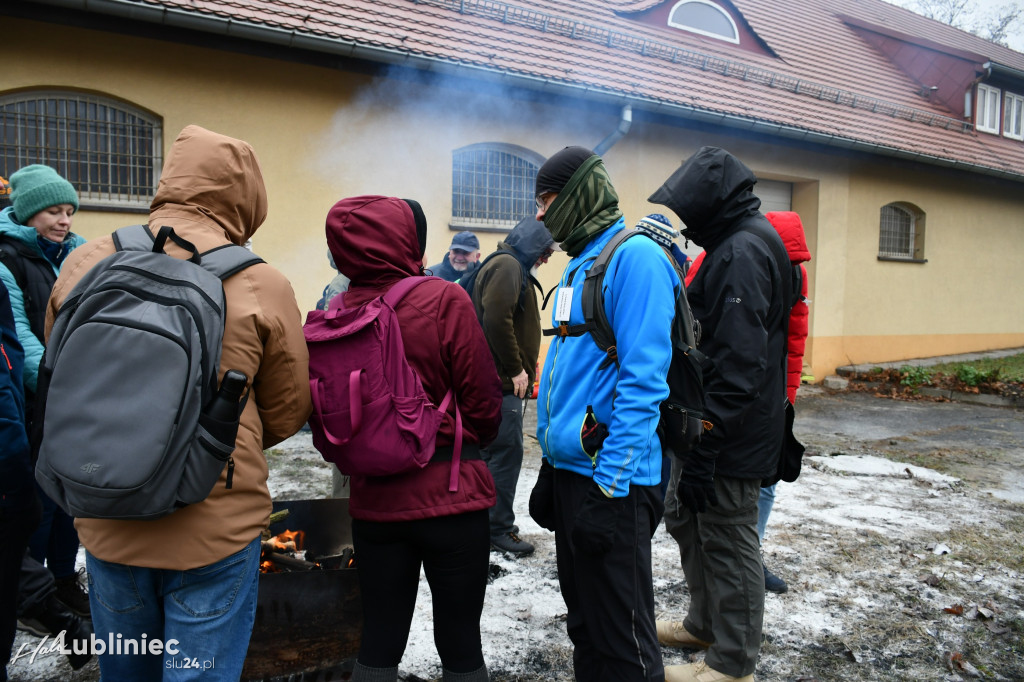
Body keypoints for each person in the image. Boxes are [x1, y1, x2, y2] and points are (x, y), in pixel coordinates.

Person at [45, 125, 312, 680]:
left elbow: (58, 370)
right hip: (212, 523)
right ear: (247, 198)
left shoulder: (87, 258)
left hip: (105, 512)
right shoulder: (261, 282)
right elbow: (287, 410)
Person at [325, 195, 502, 682]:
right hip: (451, 495)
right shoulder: (444, 298)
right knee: (461, 641)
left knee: (378, 638)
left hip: (374, 504)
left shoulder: (336, 310)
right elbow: (484, 402)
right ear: (407, 240)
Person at [528, 146, 674, 681]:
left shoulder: (635, 258)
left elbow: (643, 383)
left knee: (624, 640)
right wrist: (554, 462)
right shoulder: (579, 266)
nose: (540, 215)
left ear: (578, 193)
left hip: (617, 483)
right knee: (585, 625)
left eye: (546, 199)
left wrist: (608, 486)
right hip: (576, 474)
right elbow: (579, 375)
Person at [650, 147, 792, 682]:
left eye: (690, 209)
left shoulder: (743, 251)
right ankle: (704, 624)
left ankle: (733, 665)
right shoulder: (737, 241)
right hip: (710, 425)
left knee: (730, 540)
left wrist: (708, 438)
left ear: (715, 202)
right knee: (687, 518)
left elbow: (739, 363)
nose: (685, 222)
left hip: (730, 433)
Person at [682, 210, 811, 595]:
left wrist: (784, 397)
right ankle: (739, 562)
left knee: (758, 485)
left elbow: (790, 337)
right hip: (730, 396)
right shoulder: (728, 256)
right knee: (723, 497)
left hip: (764, 398)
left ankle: (750, 551)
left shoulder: (786, 270)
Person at [0, 165, 90, 619]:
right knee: (37, 499)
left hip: (75, 394)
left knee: (69, 498)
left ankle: (62, 578)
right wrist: (64, 386)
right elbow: (19, 335)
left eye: (70, 211)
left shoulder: (79, 255)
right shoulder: (6, 258)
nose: (65, 220)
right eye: (54, 211)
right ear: (28, 213)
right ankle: (32, 594)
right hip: (37, 398)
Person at [469, 216, 554, 557]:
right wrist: (516, 369)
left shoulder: (507, 264)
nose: (547, 258)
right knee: (506, 454)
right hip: (502, 384)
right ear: (532, 244)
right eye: (545, 251)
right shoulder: (507, 265)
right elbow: (495, 316)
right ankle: (497, 529)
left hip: (497, 383)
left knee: (496, 454)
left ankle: (488, 522)